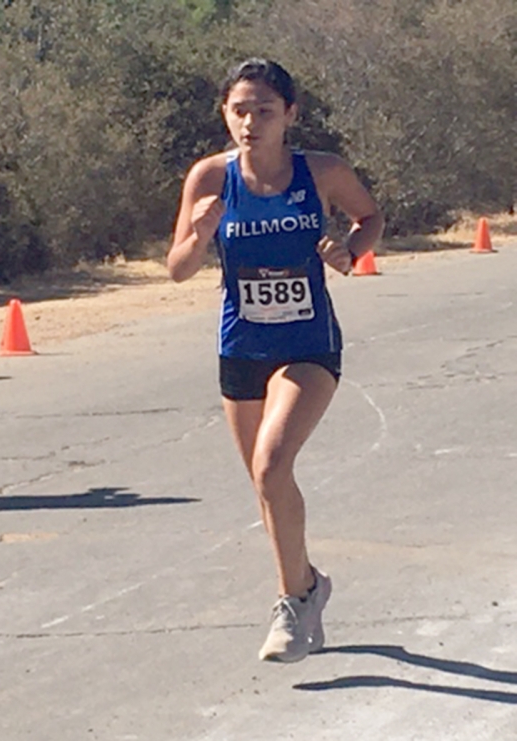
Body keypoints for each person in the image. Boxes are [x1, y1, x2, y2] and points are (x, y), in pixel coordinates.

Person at [167, 58, 384, 663]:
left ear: (290, 114)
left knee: (271, 464)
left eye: (264, 110)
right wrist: (200, 235)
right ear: (224, 114)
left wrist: (350, 252)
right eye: (239, 110)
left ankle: (289, 606)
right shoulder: (210, 179)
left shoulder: (321, 172)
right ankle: (309, 586)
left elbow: (370, 217)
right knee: (267, 488)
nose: (250, 121)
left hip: (308, 343)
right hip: (242, 345)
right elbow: (177, 269)